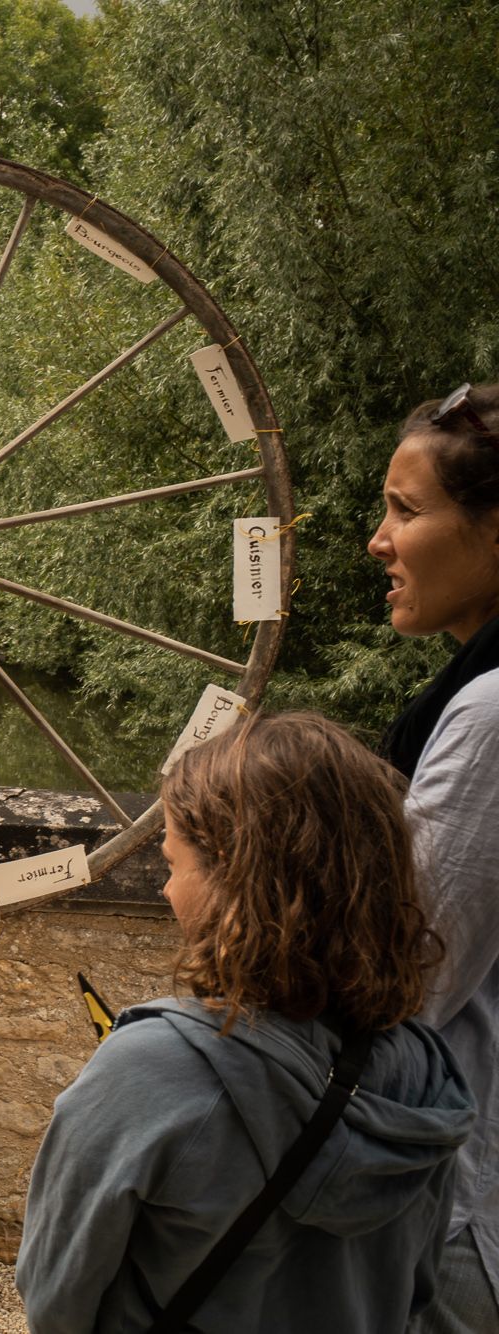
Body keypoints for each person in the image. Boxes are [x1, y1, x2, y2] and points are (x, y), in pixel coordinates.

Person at [15, 711, 474, 1334]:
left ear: (233, 873)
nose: (166, 892)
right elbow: (413, 1290)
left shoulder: (151, 1069)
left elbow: (55, 1298)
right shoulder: (427, 1072)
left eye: (175, 865)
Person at [370, 380, 499, 1334]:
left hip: (462, 1203)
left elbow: (412, 966)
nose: (379, 540)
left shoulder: (490, 718)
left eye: (406, 511)